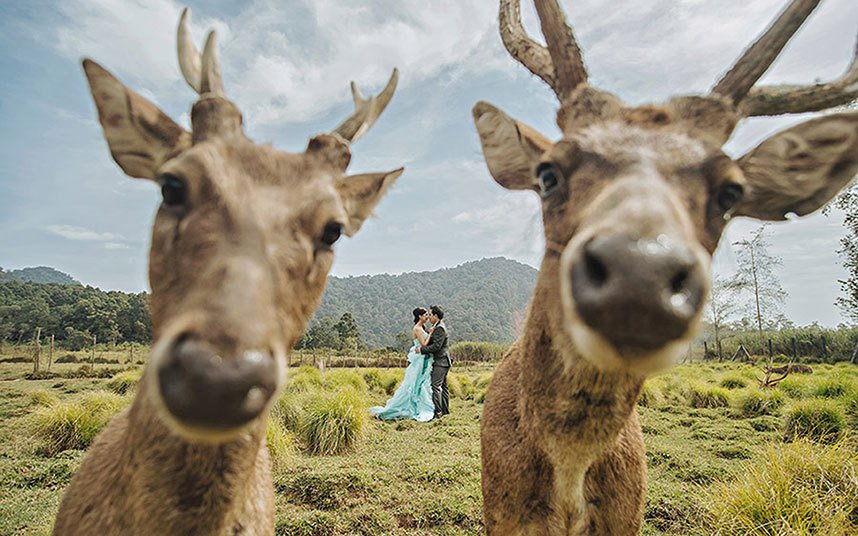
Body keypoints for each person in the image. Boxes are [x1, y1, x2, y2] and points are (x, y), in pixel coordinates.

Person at [369, 307, 435, 422]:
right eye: (425, 315)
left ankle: (419, 404)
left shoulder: (422, 328)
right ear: (420, 316)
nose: (427, 317)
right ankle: (409, 407)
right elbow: (423, 344)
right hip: (420, 360)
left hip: (423, 358)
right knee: (416, 383)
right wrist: (431, 333)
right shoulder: (418, 329)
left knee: (421, 383)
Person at [421, 305, 450, 419]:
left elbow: (436, 346)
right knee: (443, 386)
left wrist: (422, 350)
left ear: (436, 316)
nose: (429, 317)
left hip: (441, 361)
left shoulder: (440, 328)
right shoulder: (437, 327)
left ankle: (438, 413)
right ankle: (445, 411)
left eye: (431, 314)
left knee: (435, 386)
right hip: (443, 361)